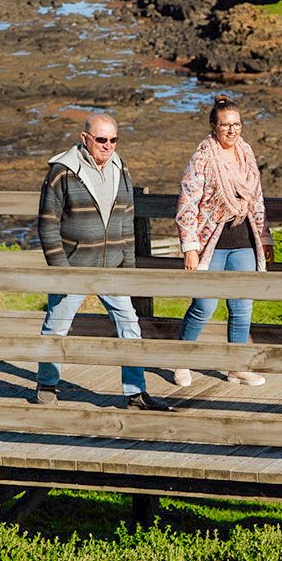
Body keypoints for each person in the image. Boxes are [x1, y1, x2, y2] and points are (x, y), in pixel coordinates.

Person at [34, 112, 172, 411]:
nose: (108, 146)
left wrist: (129, 269)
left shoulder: (121, 169)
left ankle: (136, 393)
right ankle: (46, 384)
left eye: (113, 139)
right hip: (74, 266)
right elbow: (47, 224)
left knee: (129, 324)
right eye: (101, 139)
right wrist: (61, 271)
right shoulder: (62, 172)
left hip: (112, 266)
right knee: (56, 326)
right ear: (85, 139)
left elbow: (126, 223)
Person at [172, 95, 273, 387]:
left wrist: (264, 237)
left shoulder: (246, 153)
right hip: (210, 244)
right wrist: (189, 248)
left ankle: (236, 366)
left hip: (243, 239)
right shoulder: (202, 157)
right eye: (225, 125)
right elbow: (187, 203)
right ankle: (181, 359)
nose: (232, 130)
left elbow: (257, 198)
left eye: (236, 124)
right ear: (213, 127)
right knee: (204, 305)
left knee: (242, 306)